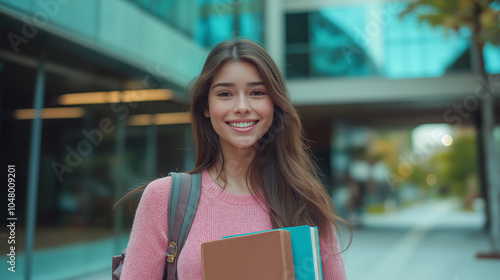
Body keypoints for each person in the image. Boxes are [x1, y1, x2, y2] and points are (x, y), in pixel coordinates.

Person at [119, 39, 350, 280]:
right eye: (225, 93)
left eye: (257, 92)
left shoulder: (305, 203)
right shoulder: (164, 199)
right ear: (206, 107)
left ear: (274, 104)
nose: (241, 106)